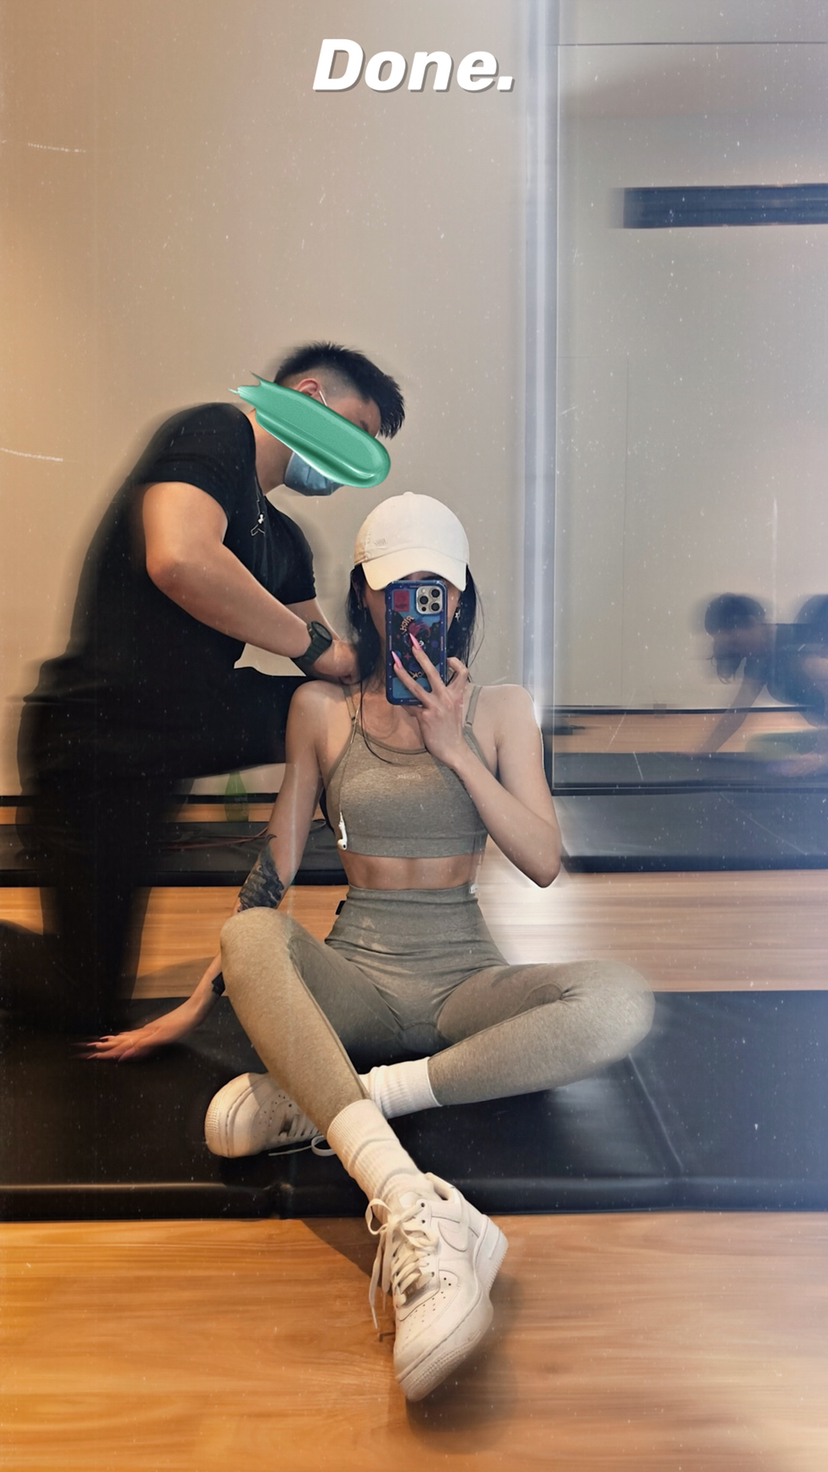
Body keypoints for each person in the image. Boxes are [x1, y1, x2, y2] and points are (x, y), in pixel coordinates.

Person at [91, 492, 654, 1401]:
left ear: (459, 597)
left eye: (433, 589)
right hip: (355, 975)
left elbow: (543, 861)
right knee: (250, 931)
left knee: (620, 1000)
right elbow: (275, 864)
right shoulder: (320, 708)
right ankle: (408, 1199)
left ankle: (338, 1103)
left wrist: (454, 746)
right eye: (397, 589)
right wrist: (199, 1000)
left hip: (465, 981)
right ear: (365, 595)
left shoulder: (502, 710)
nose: (413, 606)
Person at [1, 343, 405, 1036]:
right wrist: (318, 651)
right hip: (95, 739)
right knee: (81, 1001)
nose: (352, 461)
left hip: (169, 739)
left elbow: (328, 664)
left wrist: (393, 671)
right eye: (357, 432)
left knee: (334, 707)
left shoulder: (284, 540)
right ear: (310, 396)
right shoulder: (216, 431)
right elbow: (181, 559)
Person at [699, 593, 828, 768]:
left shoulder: (800, 652)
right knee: (763, 746)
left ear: (752, 623)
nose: (734, 651)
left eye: (734, 643)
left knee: (780, 762)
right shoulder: (760, 657)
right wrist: (703, 753)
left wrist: (821, 758)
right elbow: (737, 713)